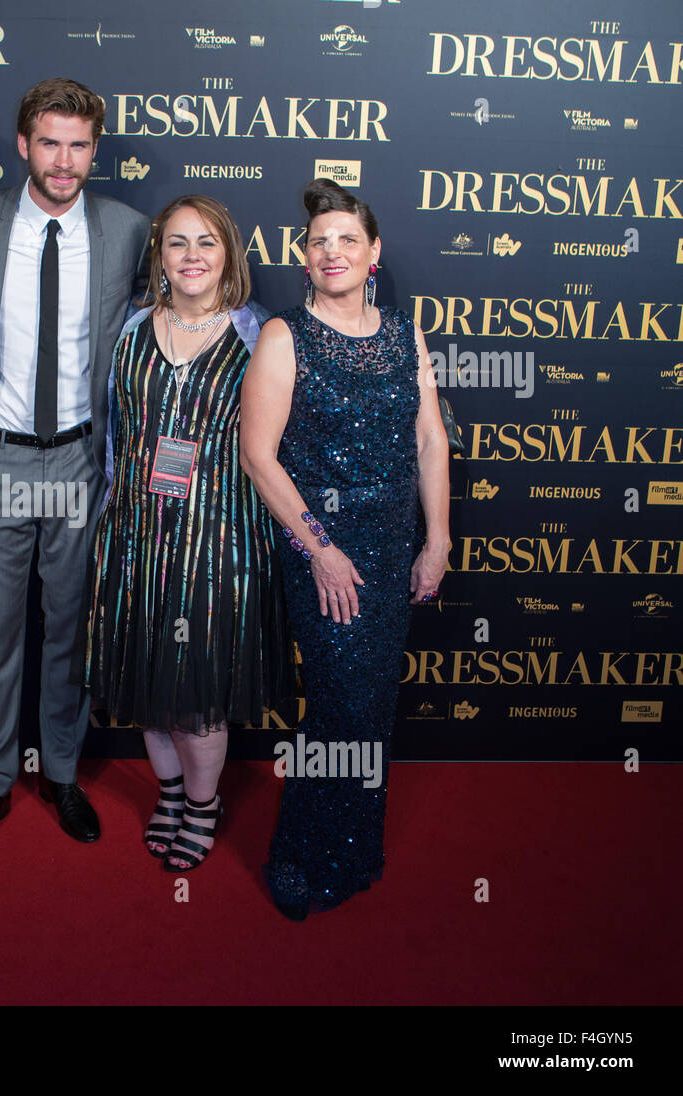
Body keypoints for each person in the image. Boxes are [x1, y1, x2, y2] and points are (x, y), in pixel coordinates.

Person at [0, 77, 151, 862]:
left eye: (79, 145)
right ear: (23, 144)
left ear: (96, 150)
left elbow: (159, 326)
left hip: (80, 457)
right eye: (50, 143)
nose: (64, 161)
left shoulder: (127, 229)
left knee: (70, 627)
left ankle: (60, 771)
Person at [239, 178, 451, 919]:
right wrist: (322, 551)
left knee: (371, 707)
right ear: (305, 257)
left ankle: (354, 849)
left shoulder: (404, 333)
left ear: (373, 252)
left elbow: (431, 439)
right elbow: (259, 457)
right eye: (318, 241)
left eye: (347, 240)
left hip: (392, 545)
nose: (332, 251)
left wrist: (438, 538)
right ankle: (302, 856)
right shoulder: (283, 336)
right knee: (339, 704)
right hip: (322, 547)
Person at [80, 195, 293, 873]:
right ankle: (170, 793)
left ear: (229, 253)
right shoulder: (129, 330)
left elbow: (281, 444)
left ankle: (203, 805)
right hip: (136, 536)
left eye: (206, 242)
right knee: (147, 680)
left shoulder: (258, 336)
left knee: (195, 692)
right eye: (177, 242)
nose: (192, 255)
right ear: (160, 256)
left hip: (217, 542)